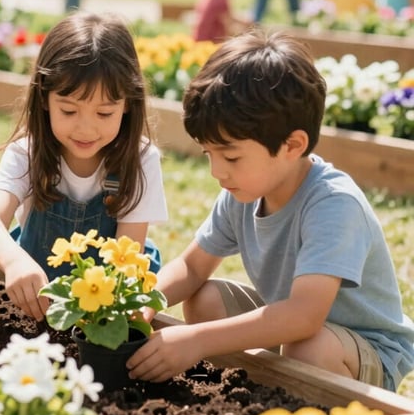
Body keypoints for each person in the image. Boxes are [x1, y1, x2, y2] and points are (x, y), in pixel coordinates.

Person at [126, 29, 414, 392]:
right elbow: (192, 266)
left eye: (230, 156)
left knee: (306, 346)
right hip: (297, 330)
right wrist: (144, 302)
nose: (217, 171)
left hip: (363, 351)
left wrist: (196, 340)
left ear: (292, 144)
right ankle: (257, 390)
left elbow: (304, 317)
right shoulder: (244, 190)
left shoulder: (334, 204)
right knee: (206, 298)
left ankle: (311, 410)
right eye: (208, 154)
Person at [0, 11, 168, 321]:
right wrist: (13, 262)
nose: (86, 129)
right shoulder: (28, 153)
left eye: (104, 113)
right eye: (69, 110)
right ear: (45, 98)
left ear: (128, 104)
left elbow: (127, 257)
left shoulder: (140, 160)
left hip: (106, 300)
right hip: (37, 298)